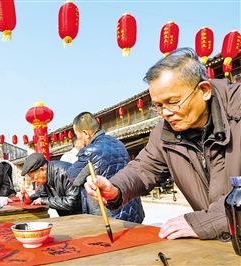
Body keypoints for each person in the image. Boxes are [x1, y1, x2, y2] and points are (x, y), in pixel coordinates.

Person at [85, 47, 240, 240]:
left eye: (173, 101)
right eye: (158, 106)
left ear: (204, 90)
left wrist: (206, 222)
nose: (165, 113)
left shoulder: (237, 113)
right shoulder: (166, 130)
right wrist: (115, 188)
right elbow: (144, 168)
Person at [67, 112, 145, 223]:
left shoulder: (90, 151)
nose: (79, 140)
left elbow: (73, 177)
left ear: (85, 133)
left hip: (111, 215)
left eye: (78, 136)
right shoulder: (118, 143)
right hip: (133, 211)